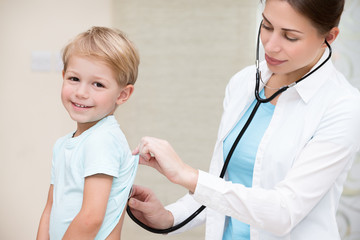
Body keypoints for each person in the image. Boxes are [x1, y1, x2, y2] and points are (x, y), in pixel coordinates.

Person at [128, 0, 360, 239]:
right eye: (267, 26)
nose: (270, 45)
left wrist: (186, 174)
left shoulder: (343, 107)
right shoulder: (244, 83)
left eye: (290, 37)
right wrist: (170, 217)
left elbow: (284, 211)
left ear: (329, 37)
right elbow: (225, 184)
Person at [36, 26, 140, 240]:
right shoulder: (63, 144)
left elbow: (91, 217)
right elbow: (51, 206)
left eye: (98, 84)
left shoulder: (103, 140)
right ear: (63, 76)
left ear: (122, 94)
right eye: (74, 79)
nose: (81, 93)